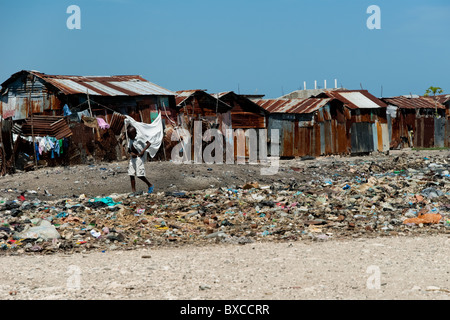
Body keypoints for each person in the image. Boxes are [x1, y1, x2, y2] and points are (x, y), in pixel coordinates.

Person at [126, 124, 154, 194]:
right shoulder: (130, 139)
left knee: (140, 175)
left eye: (130, 135)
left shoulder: (140, 137)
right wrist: (131, 153)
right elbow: (129, 149)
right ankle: (133, 191)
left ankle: (150, 185)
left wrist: (142, 152)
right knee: (131, 174)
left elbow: (148, 143)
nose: (129, 136)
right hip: (132, 158)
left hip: (139, 158)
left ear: (134, 133)